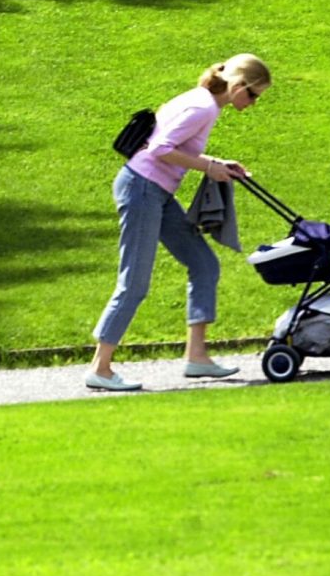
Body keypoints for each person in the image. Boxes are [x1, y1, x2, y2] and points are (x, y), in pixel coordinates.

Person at [87, 53, 273, 391]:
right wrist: (209, 168)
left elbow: (170, 146)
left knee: (203, 263)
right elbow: (159, 148)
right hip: (142, 190)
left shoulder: (206, 103)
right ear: (238, 85)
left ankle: (196, 357)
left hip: (155, 192)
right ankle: (100, 367)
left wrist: (217, 162)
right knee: (135, 282)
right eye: (254, 95)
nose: (254, 103)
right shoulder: (203, 106)